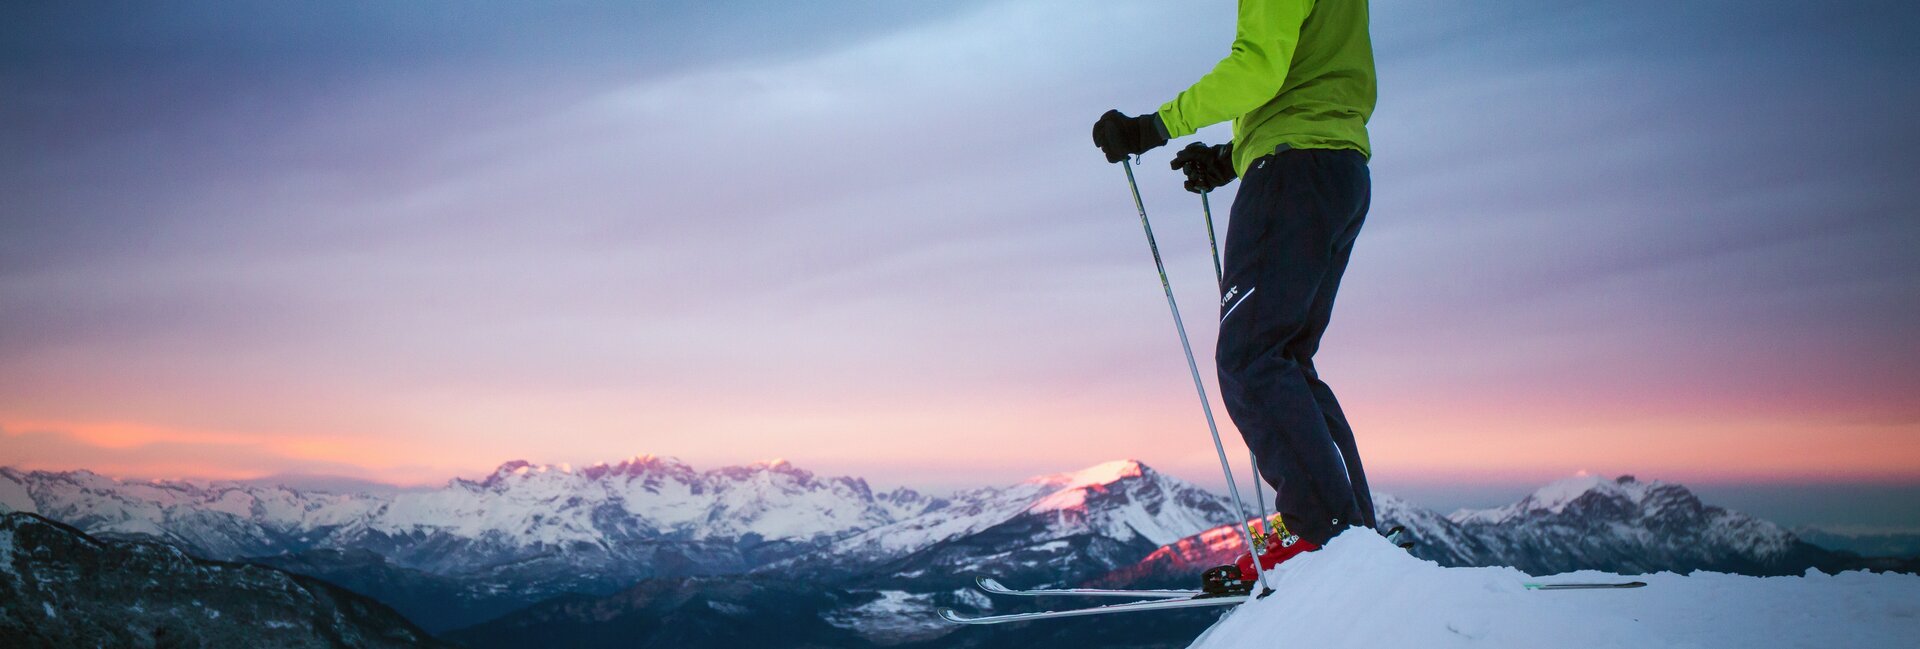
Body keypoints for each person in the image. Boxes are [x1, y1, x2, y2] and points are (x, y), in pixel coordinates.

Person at [1091, 0, 1379, 587]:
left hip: (1292, 171)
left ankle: (1321, 530)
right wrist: (1230, 158)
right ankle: (1352, 532)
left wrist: (1153, 126)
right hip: (1339, 169)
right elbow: (1312, 74)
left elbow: (1257, 69)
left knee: (1250, 357)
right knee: (1287, 357)